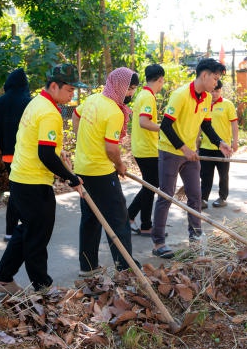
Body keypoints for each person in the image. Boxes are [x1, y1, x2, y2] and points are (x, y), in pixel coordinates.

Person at [0, 64, 85, 294]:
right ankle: (42, 285)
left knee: (28, 230)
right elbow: (44, 154)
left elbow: (39, 143)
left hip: (22, 177)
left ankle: (2, 278)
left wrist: (58, 152)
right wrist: (71, 178)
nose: (73, 95)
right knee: (38, 234)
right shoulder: (50, 112)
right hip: (32, 180)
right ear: (54, 86)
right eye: (70, 90)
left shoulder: (37, 103)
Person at [151, 58, 233, 258]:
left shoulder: (206, 98)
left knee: (195, 196)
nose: (216, 84)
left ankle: (195, 237)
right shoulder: (180, 95)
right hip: (171, 151)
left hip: (190, 154)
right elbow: (166, 126)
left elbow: (206, 125)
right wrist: (184, 149)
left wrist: (219, 142)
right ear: (204, 75)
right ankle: (158, 242)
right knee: (167, 195)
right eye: (215, 79)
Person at [72, 67, 141, 276]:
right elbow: (111, 149)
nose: (131, 94)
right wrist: (120, 165)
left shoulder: (93, 99)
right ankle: (125, 266)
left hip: (83, 169)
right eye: (130, 89)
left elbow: (75, 116)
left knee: (90, 219)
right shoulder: (113, 111)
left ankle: (88, 266)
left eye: (134, 89)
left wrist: (84, 141)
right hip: (101, 172)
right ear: (119, 86)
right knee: (118, 219)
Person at [0, 67, 31, 241]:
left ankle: (11, 231)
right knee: (28, 193)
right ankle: (26, 229)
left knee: (16, 191)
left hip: (9, 156)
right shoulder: (29, 102)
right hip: (28, 156)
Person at [127, 64, 166, 236]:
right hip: (147, 149)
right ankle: (131, 217)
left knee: (150, 185)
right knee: (151, 186)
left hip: (141, 147)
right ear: (159, 79)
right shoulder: (148, 97)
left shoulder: (142, 94)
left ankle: (144, 224)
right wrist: (164, 129)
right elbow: (144, 122)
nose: (162, 84)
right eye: (162, 81)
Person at [200, 80, 239, 209]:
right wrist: (195, 142)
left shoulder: (227, 104)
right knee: (205, 175)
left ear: (220, 91)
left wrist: (235, 141)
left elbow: (234, 124)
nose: (215, 93)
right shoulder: (203, 104)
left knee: (223, 175)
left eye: (217, 91)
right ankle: (203, 199)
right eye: (212, 91)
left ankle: (222, 197)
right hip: (205, 147)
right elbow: (200, 125)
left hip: (223, 148)